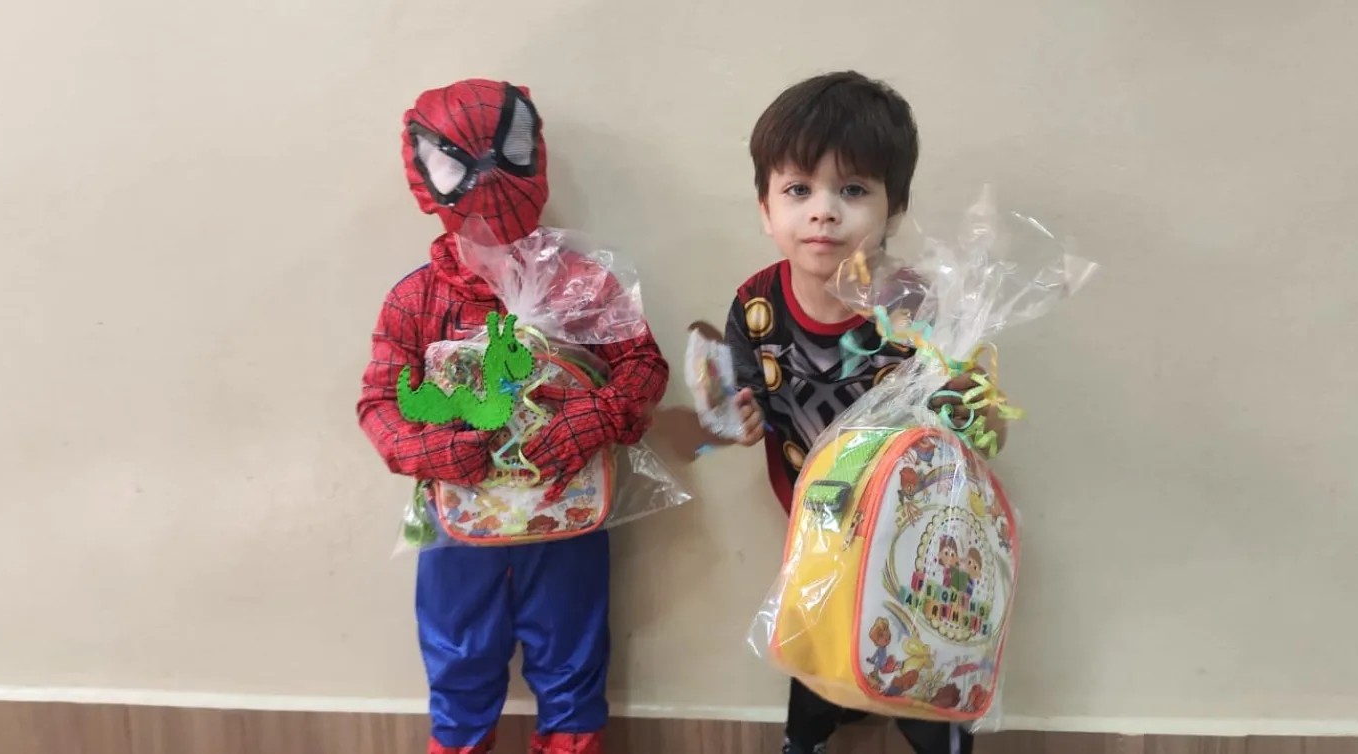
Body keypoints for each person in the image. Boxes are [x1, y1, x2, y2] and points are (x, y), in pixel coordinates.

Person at [356, 78, 669, 754]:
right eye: (461, 163)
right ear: (425, 176)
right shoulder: (417, 300)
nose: (490, 179)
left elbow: (644, 367)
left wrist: (600, 415)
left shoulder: (583, 285)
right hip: (458, 522)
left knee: (574, 660)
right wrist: (433, 451)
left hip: (567, 513)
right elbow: (379, 404)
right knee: (458, 662)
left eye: (508, 152)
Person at [722, 70, 1005, 754]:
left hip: (911, 536)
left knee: (922, 669)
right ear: (765, 209)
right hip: (816, 526)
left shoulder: (923, 310)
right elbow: (738, 405)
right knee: (815, 653)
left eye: (852, 190)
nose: (823, 212)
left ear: (893, 210)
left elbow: (986, 435)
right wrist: (733, 420)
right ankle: (806, 738)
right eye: (798, 189)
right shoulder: (756, 306)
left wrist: (971, 405)